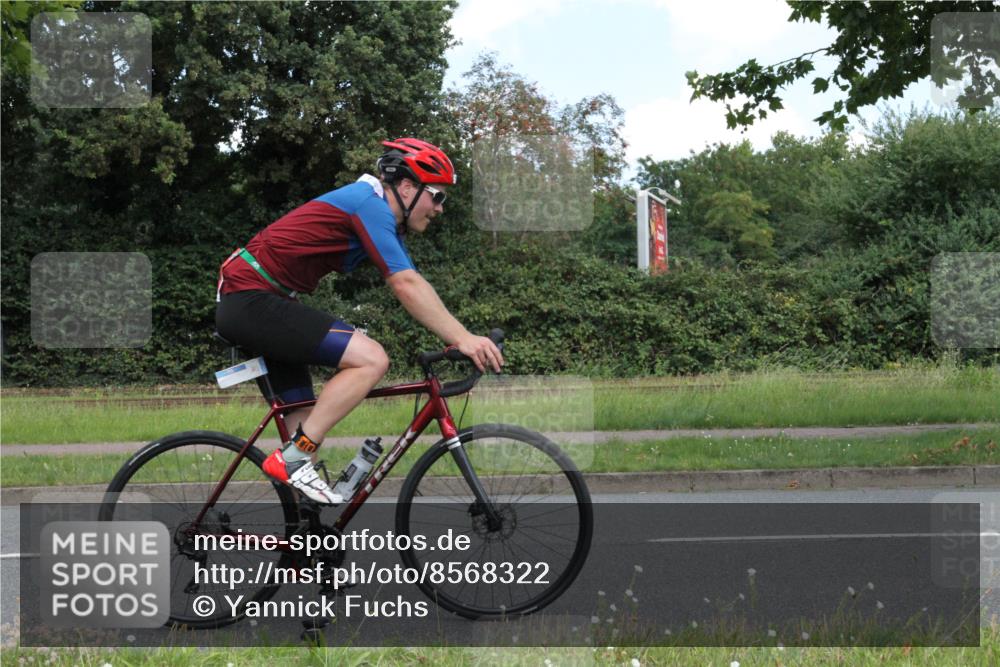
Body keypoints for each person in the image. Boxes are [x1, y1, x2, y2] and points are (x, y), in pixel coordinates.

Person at [214, 138, 504, 504]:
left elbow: (412, 281)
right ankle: (295, 458)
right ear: (408, 187)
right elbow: (406, 283)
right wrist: (463, 337)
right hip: (251, 299)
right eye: (438, 195)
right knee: (371, 359)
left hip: (258, 300)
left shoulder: (375, 212)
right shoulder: (369, 205)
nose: (440, 208)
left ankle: (304, 543)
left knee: (305, 420)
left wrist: (456, 333)